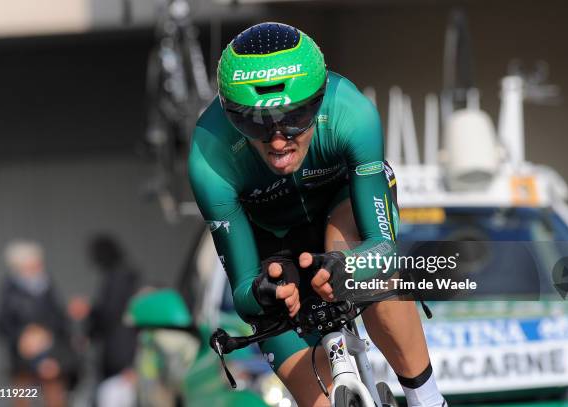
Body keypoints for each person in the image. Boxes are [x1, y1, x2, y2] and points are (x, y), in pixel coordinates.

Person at [188, 22, 446, 407]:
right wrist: (263, 293)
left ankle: (427, 399)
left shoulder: (352, 113)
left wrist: (352, 266)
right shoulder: (209, 157)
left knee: (363, 262)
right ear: (231, 117)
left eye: (294, 117)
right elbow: (243, 291)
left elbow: (383, 248)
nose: (278, 140)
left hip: (340, 207)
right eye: (254, 123)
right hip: (270, 240)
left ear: (319, 101)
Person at [0, 240, 78, 407]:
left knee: (54, 394)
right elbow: (2, 324)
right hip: (22, 359)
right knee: (23, 396)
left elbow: (60, 320)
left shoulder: (48, 288)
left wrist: (47, 339)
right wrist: (24, 337)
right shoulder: (8, 291)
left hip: (51, 354)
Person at [86, 234, 140, 407]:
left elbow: (110, 313)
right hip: (120, 350)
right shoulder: (122, 275)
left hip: (120, 351)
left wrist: (90, 314)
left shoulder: (118, 277)